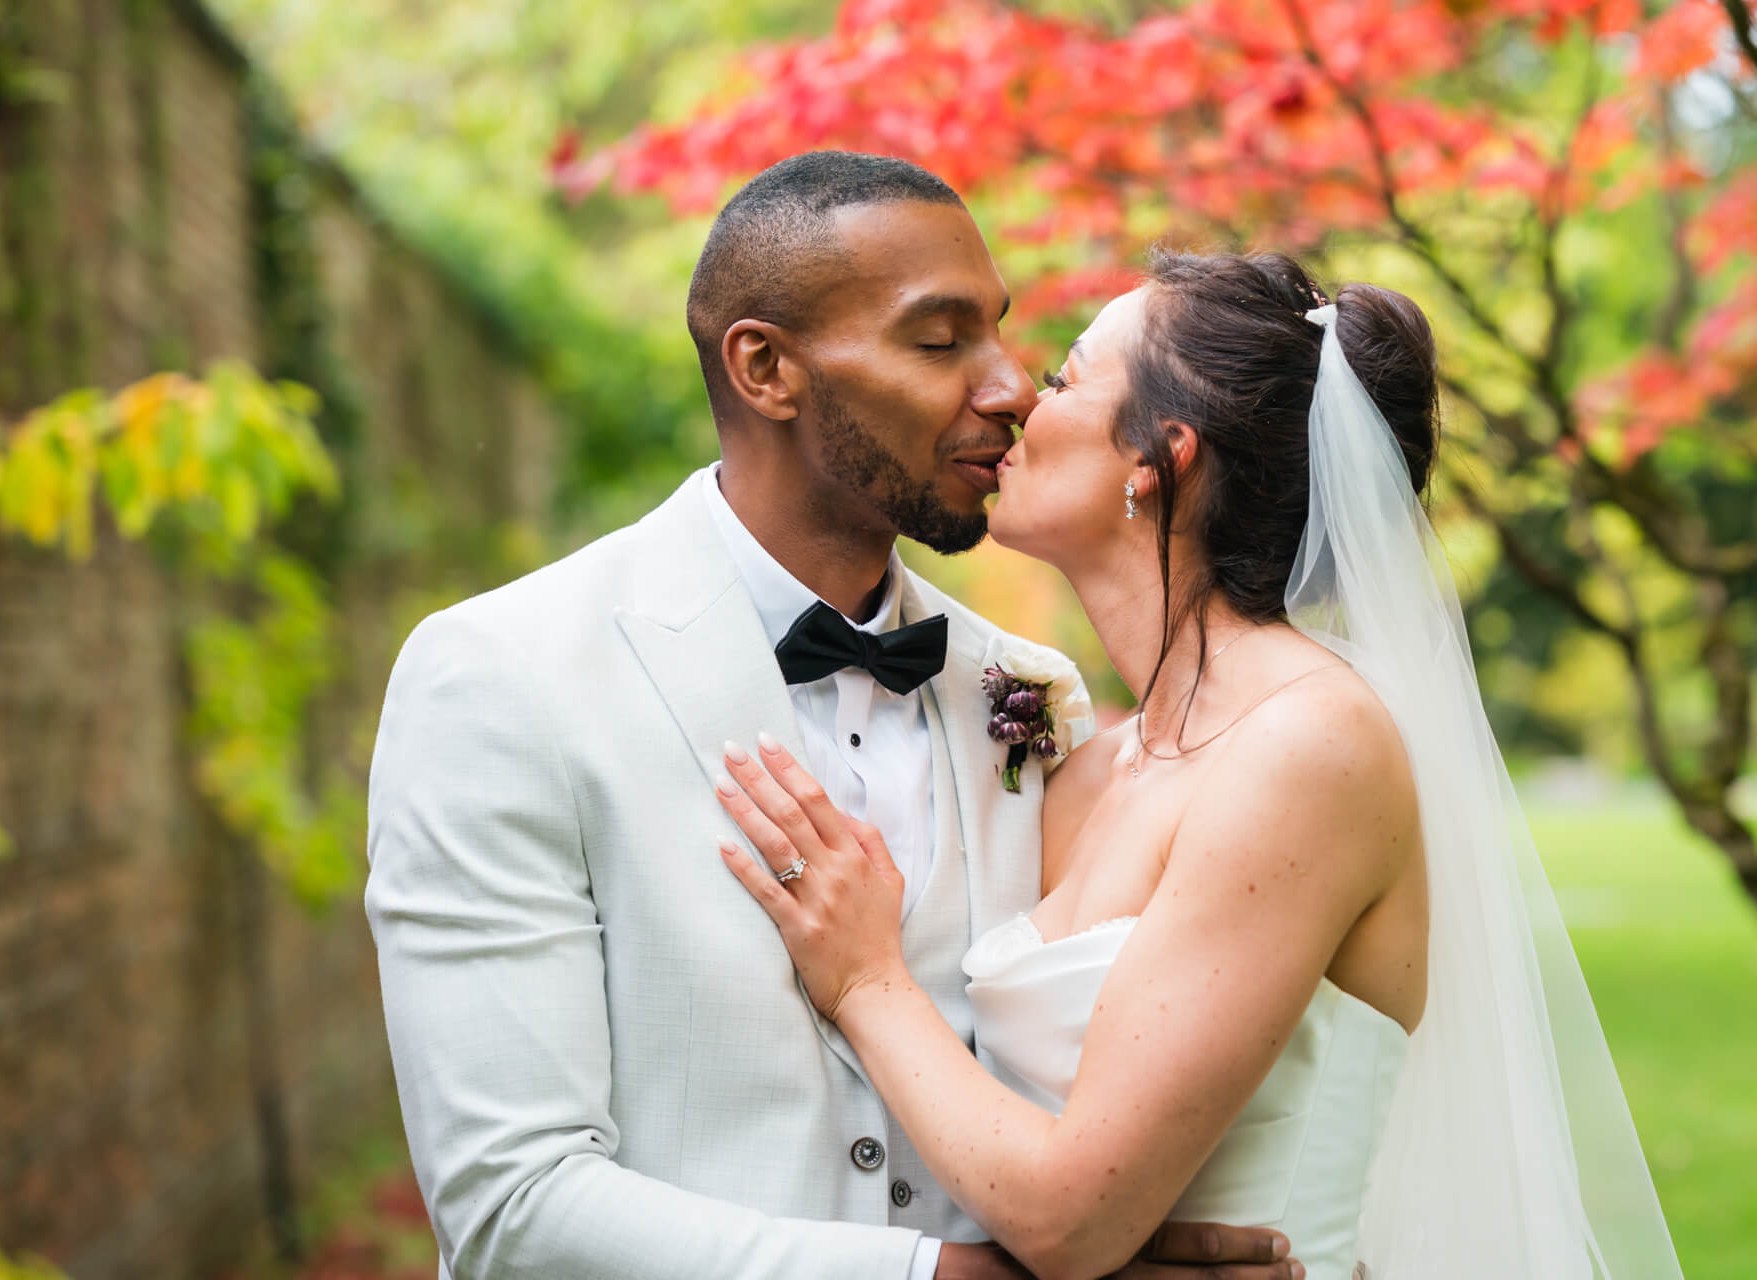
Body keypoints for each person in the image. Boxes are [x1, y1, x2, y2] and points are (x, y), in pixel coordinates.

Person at [365, 154, 1299, 1279]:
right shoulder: (503, 678)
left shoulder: (1029, 692)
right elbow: (511, 1207)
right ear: (765, 369)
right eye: (940, 342)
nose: (1011, 388)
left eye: (1000, 334)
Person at [713, 252, 1686, 1280]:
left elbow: (1071, 1220)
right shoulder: (1081, 763)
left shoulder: (1308, 743)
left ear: (1161, 458)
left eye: (1065, 378)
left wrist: (867, 978)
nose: (1017, 401)